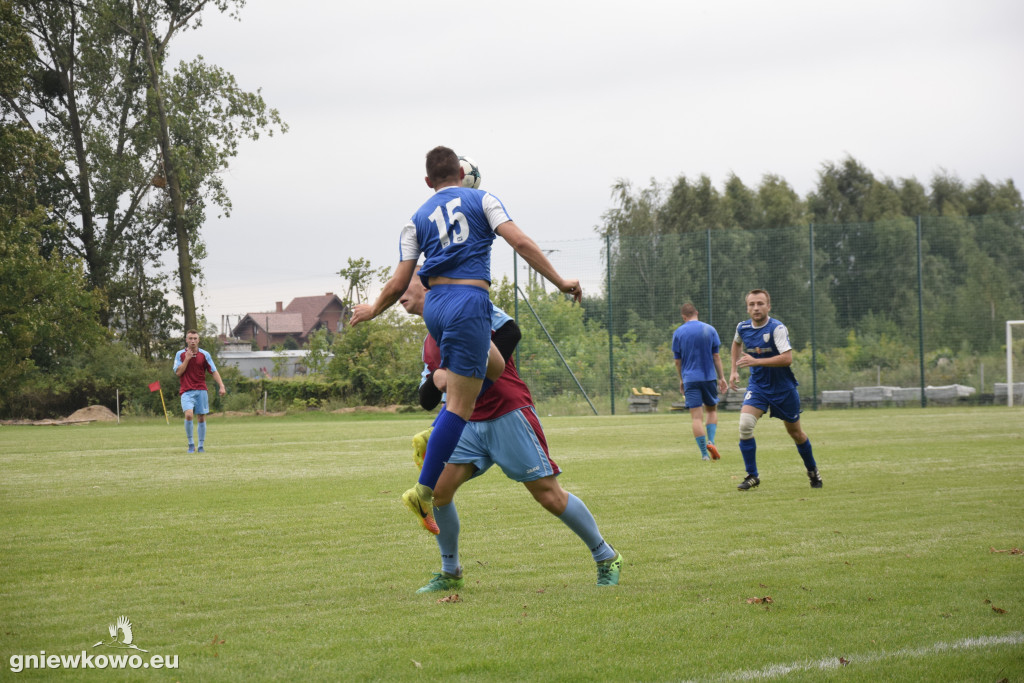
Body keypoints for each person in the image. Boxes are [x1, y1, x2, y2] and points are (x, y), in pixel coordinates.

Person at [349, 146, 581, 534]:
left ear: (428, 182)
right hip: (468, 301)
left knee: (494, 364)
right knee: (459, 406)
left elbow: (400, 281)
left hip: (437, 308)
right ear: (461, 171)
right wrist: (559, 281)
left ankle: (438, 433)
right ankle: (422, 491)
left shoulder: (415, 220)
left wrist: (373, 309)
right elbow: (520, 243)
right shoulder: (483, 199)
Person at [399, 274, 622, 590]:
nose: (397, 294)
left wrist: (470, 370)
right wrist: (436, 378)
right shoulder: (428, 341)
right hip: (466, 425)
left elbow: (510, 332)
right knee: (438, 492)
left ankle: (606, 556)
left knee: (548, 494)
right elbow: (426, 398)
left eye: (402, 286)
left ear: (426, 285)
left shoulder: (468, 307)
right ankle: (451, 572)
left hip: (508, 413)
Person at [728, 289, 822, 490]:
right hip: (759, 387)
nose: (756, 308)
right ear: (747, 307)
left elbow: (787, 358)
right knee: (745, 425)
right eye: (752, 304)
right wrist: (733, 371)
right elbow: (736, 345)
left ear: (768, 306)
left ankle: (812, 470)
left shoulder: (777, 328)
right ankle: (752, 475)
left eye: (760, 303)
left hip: (783, 389)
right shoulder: (742, 327)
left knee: (796, 433)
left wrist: (756, 361)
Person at [671, 302, 727, 461]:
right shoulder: (710, 329)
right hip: (709, 377)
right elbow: (716, 356)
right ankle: (711, 441)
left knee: (696, 418)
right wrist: (721, 377)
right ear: (697, 312)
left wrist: (682, 379)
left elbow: (677, 361)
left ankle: (704, 454)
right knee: (712, 411)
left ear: (684, 316)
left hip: (690, 379)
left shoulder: (679, 332)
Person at [173, 329, 226, 453]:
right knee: (189, 415)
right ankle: (191, 444)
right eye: (190, 338)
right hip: (186, 391)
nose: (192, 341)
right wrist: (187, 359)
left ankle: (201, 446)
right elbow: (178, 372)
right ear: (186, 340)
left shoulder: (205, 355)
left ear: (198, 340)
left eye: (195, 338)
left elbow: (213, 371)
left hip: (201, 390)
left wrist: (221, 386)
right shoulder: (180, 354)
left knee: (201, 418)